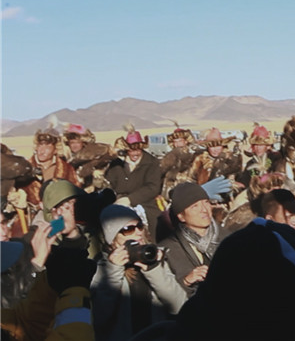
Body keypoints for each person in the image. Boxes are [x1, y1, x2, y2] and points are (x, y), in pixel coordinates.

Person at [90, 204, 187, 341]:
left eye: (139, 226)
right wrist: (114, 270)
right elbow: (99, 318)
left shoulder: (154, 257)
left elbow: (179, 306)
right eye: (128, 229)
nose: (138, 232)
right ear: (112, 239)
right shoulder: (101, 268)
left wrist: (154, 270)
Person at [158, 182, 227, 296]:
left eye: (206, 202)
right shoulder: (169, 251)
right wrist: (186, 281)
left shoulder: (229, 239)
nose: (204, 210)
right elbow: (164, 295)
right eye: (195, 206)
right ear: (181, 216)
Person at [105, 127, 163, 242]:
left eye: (138, 150)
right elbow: (109, 183)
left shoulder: (152, 162)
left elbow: (153, 187)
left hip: (146, 203)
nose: (135, 153)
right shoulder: (116, 164)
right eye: (132, 150)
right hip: (118, 201)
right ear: (127, 150)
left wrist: (130, 199)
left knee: (156, 226)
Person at [61, 123, 116, 190]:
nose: (75, 145)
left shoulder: (94, 156)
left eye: (78, 142)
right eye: (72, 143)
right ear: (68, 143)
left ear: (83, 143)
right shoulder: (65, 159)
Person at [236, 124, 280, 193]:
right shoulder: (250, 164)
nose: (258, 148)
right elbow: (245, 182)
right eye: (256, 145)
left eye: (261, 145)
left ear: (267, 146)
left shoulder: (276, 158)